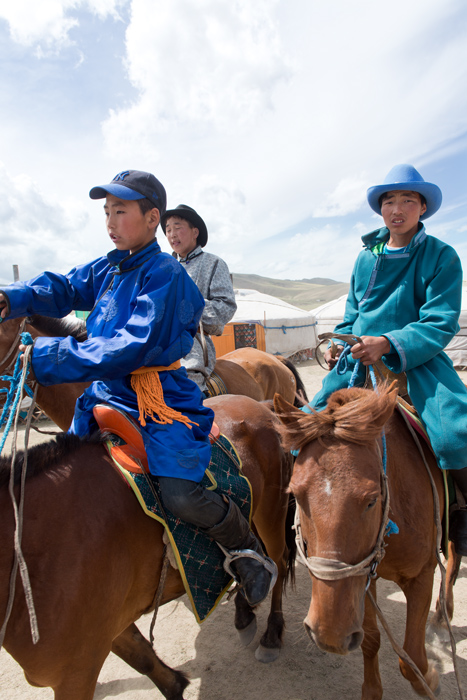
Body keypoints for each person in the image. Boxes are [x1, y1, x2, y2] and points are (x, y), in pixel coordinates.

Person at [0, 169, 275, 606]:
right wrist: (13, 298)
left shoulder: (166, 274)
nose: (110, 221)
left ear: (152, 219)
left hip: (159, 398)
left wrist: (48, 359)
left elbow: (132, 345)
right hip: (106, 395)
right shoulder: (109, 267)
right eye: (107, 212)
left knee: (180, 493)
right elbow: (65, 287)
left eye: (121, 211)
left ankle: (246, 550)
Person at [311, 163, 467, 555]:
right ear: (381, 210)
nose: (397, 209)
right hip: (359, 364)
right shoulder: (366, 258)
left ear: (423, 207)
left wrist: (388, 342)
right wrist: (341, 340)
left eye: (408, 201)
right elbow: (352, 312)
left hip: (416, 364)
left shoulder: (441, 256)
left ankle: (461, 515)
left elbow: (439, 321)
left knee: (454, 434)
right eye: (390, 201)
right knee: (307, 429)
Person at [161, 204, 237, 395]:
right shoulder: (163, 268)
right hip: (158, 343)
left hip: (191, 347)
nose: (171, 234)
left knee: (184, 389)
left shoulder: (213, 263)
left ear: (195, 232)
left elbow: (225, 307)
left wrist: (184, 309)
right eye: (168, 230)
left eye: (177, 227)